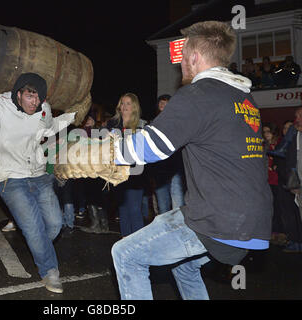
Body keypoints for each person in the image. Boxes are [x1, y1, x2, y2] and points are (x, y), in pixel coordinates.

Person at [111, 21, 272, 300]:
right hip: (254, 221)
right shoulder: (244, 99)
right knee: (185, 268)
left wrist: (100, 150)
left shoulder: (199, 94)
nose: (180, 63)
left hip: (218, 220)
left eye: (182, 56)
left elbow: (151, 147)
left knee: (126, 254)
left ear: (194, 57)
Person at [0, 70, 76, 293]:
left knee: (55, 224)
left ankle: (38, 246)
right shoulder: (1, 104)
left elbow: (50, 128)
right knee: (34, 228)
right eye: (30, 96)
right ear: (18, 93)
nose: (34, 102)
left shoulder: (42, 108)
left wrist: (72, 115)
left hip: (39, 175)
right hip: (11, 178)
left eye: (38, 98)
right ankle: (49, 270)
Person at [106, 93, 147, 237]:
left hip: (135, 174)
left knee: (134, 209)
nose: (124, 107)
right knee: (122, 209)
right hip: (117, 173)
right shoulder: (112, 124)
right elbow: (105, 147)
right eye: (122, 103)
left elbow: (143, 152)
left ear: (134, 107)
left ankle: (138, 243)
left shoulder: (142, 125)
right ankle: (125, 240)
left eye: (128, 103)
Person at [151, 94, 185, 215]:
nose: (163, 105)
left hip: (176, 169)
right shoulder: (153, 125)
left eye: (166, 103)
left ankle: (179, 232)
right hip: (160, 170)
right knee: (162, 206)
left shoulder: (179, 123)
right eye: (161, 103)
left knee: (178, 205)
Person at [283, 108, 302, 252]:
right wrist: (294, 183)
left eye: (300, 116)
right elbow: (292, 160)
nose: (297, 119)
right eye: (296, 116)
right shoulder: (295, 135)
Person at [263, 122, 285, 245]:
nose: (266, 134)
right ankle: (273, 232)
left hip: (278, 180)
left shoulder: (280, 144)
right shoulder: (264, 145)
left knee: (279, 207)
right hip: (268, 180)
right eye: (264, 132)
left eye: (268, 131)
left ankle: (281, 232)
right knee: (271, 208)